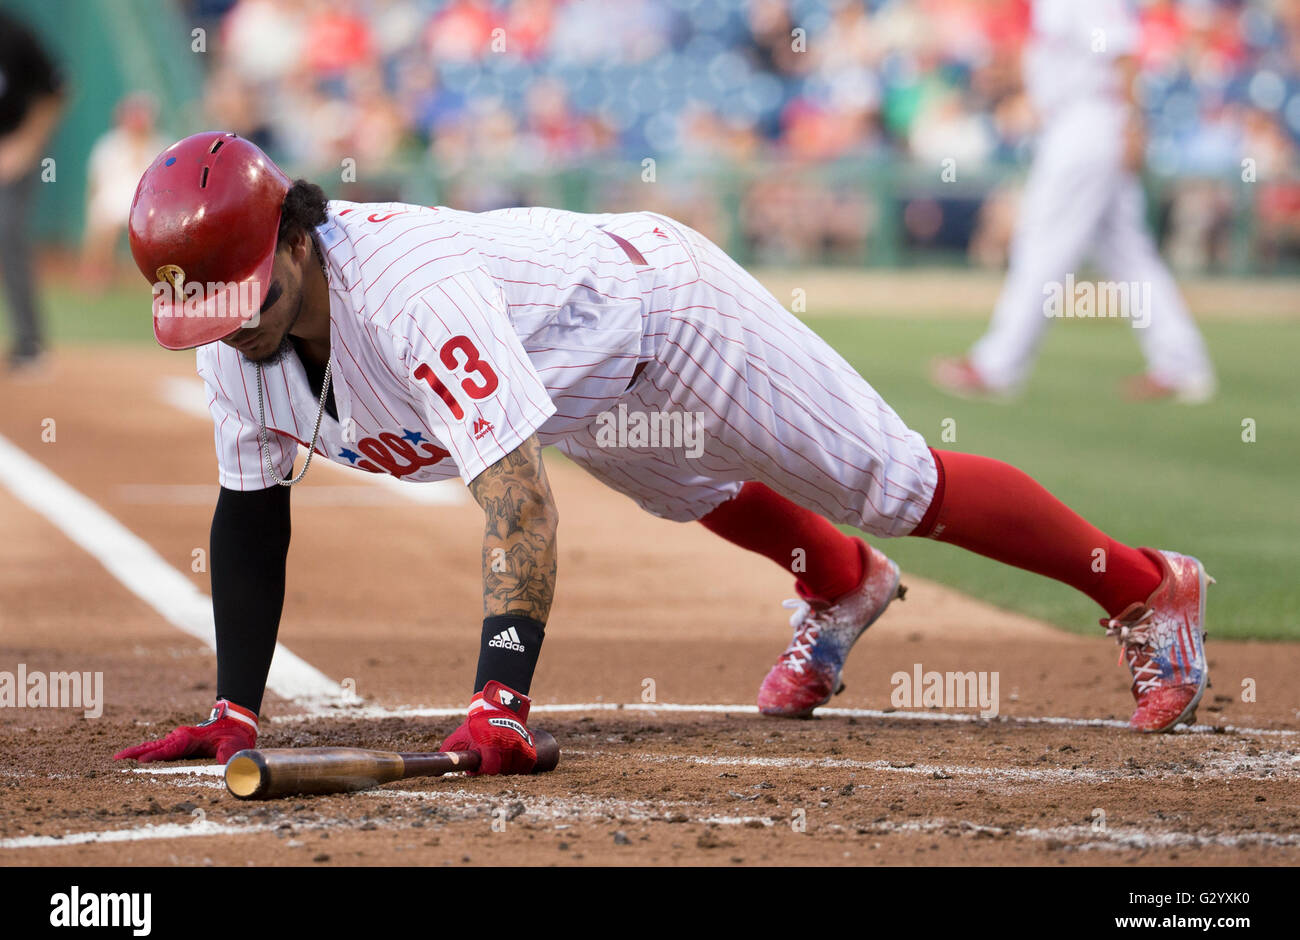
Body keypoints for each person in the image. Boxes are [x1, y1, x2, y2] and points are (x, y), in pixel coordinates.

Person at [115, 132, 1212, 774]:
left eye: (240, 294)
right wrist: (236, 709)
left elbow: (516, 505)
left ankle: (1146, 588)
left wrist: (500, 700)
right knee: (690, 492)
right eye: (203, 307)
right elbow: (249, 508)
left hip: (664, 312)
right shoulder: (232, 333)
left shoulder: (404, 290)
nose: (230, 326)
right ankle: (838, 586)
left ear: (295, 239)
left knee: (892, 482)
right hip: (582, 375)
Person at [932, 0, 1216, 403]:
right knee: (1127, 254)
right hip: (1079, 123)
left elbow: (1123, 53)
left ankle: (997, 365)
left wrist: (1134, 126)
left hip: (1090, 122)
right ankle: (1182, 364)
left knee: (1043, 244)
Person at [0, 10, 65, 372]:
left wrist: (26, 144)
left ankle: (30, 341)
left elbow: (57, 87)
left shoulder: (13, 33)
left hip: (10, 150)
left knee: (7, 232)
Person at [80, 93, 167, 289]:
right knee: (103, 215)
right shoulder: (109, 145)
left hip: (149, 204)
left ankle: (159, 277)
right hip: (114, 200)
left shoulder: (162, 145)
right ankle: (96, 273)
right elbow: (95, 182)